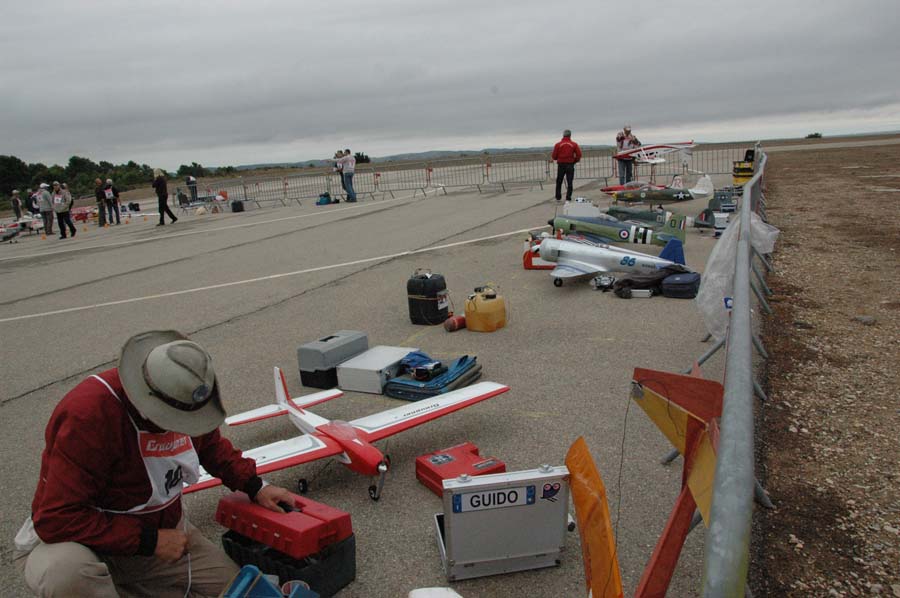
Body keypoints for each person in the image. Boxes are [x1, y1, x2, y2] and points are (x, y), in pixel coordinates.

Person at [14, 330, 294, 597]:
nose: (182, 426)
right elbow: (56, 518)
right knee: (65, 574)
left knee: (243, 590)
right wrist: (149, 540)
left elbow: (210, 447)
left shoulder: (182, 393)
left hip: (158, 537)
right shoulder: (88, 414)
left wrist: (256, 486)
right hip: (90, 546)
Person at [551, 129, 582, 202]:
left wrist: (559, 158)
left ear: (563, 135)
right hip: (570, 164)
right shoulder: (574, 144)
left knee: (559, 181)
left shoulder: (558, 144)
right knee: (570, 181)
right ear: (570, 135)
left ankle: (558, 197)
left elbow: (554, 156)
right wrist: (575, 160)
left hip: (561, 164)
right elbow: (579, 154)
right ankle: (568, 197)